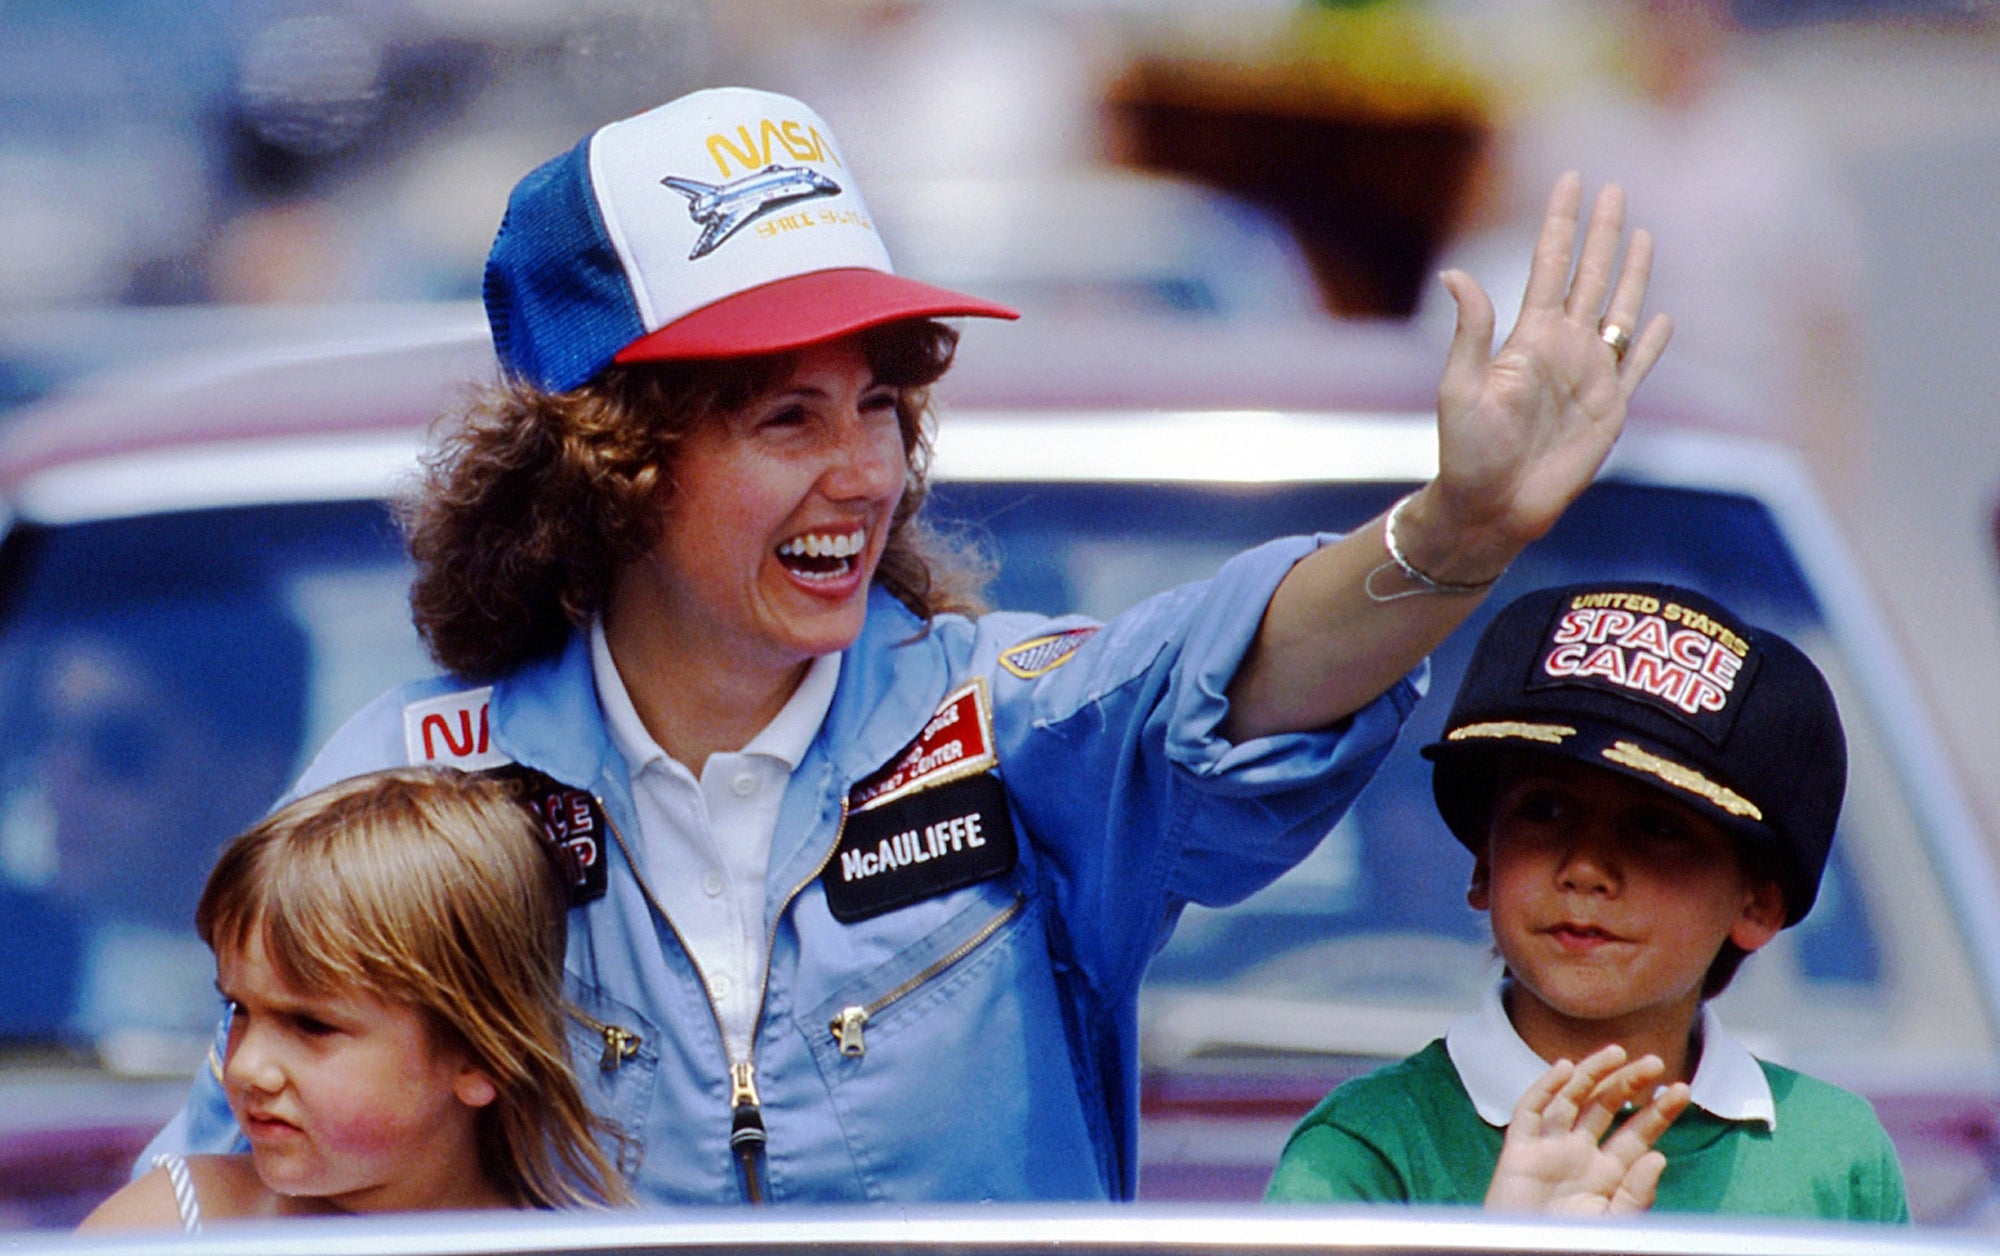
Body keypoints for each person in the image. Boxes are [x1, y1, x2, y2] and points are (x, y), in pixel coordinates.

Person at [145, 84, 1668, 1204]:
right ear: (611, 458)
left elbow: (1236, 670)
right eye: (786, 417)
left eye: (881, 403)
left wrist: (1458, 532)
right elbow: (227, 1170)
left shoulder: (1012, 725)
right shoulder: (421, 781)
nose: (865, 472)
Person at [1264, 581, 1909, 1221]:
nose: (1585, 868)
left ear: (1759, 904)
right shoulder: (1365, 1154)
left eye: (1658, 827)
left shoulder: (1834, 1159)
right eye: (1543, 809)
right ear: (1486, 861)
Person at [83, 767, 629, 1233]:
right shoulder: (168, 1225)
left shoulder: (569, 1241)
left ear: (485, 1056)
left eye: (312, 1025)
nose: (247, 1066)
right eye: (238, 1011)